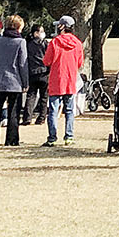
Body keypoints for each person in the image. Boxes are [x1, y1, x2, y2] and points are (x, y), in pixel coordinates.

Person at [0, 14, 29, 147]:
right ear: (18, 27)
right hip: (15, 82)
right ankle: (11, 140)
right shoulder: (20, 42)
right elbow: (23, 64)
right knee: (13, 113)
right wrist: (25, 82)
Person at [43, 16, 85, 146]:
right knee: (69, 110)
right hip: (70, 80)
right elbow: (80, 62)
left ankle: (52, 138)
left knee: (53, 110)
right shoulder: (77, 43)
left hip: (56, 80)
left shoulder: (55, 42)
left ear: (62, 26)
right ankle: (69, 136)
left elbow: (47, 61)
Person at [20, 20, 49, 125]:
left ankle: (27, 118)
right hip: (44, 72)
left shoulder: (27, 43)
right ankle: (41, 117)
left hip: (32, 72)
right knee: (44, 97)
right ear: (36, 33)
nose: (42, 33)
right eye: (41, 31)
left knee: (31, 95)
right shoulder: (45, 44)